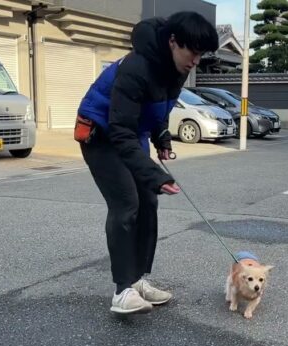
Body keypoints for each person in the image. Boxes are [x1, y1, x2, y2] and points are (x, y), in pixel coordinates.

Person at [76, 11, 219, 314]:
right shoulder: (137, 67)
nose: (195, 60)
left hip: (131, 132)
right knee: (126, 203)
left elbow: (158, 108)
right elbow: (120, 130)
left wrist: (162, 139)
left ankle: (136, 280)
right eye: (192, 51)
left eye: (201, 54)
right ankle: (122, 291)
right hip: (101, 133)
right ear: (172, 41)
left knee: (148, 203)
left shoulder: (178, 68)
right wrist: (155, 175)